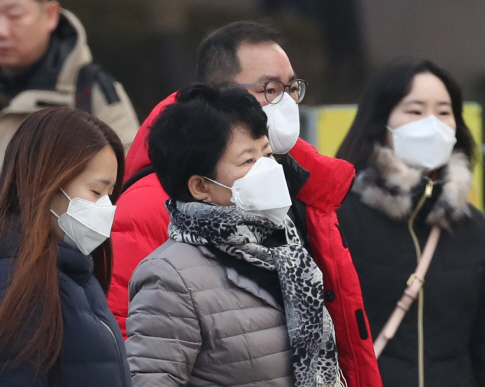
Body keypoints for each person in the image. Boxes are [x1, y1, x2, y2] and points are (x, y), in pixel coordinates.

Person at [109, 20, 382, 387]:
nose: (285, 101)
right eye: (270, 89)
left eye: (291, 88)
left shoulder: (300, 191)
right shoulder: (148, 208)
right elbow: (139, 356)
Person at [126, 83, 345, 387]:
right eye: (247, 161)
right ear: (201, 187)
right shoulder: (169, 278)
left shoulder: (285, 246)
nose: (267, 169)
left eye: (267, 154)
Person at [336, 59, 485, 387]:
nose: (432, 124)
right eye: (414, 111)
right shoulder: (340, 218)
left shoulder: (473, 229)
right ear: (381, 122)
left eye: (443, 112)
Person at [0, 107, 131, 386]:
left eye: (111, 195)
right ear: (47, 181)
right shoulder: (16, 280)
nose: (107, 208)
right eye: (96, 192)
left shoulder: (73, 273)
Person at [0, 0, 139, 201]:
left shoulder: (92, 94)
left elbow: (129, 186)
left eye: (14, 15)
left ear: (51, 15)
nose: (0, 31)